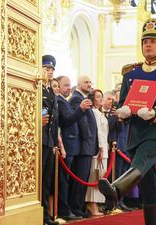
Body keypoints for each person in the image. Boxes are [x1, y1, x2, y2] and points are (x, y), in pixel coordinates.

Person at [98, 18, 156, 225]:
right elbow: (125, 103)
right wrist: (124, 111)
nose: (148, 45)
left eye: (154, 41)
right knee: (147, 183)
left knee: (141, 161)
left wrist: (155, 113)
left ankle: (117, 189)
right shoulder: (131, 72)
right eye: (145, 41)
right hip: (136, 133)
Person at [55, 76, 91, 221]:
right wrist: (81, 109)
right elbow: (68, 121)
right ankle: (64, 210)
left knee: (69, 180)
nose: (68, 88)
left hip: (73, 146)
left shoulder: (65, 101)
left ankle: (68, 208)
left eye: (69, 85)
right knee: (64, 181)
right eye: (65, 85)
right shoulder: (60, 101)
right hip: (67, 146)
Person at [69, 75, 98, 218]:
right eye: (86, 82)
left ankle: (79, 206)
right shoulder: (76, 98)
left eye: (90, 82)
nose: (89, 84)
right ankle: (76, 208)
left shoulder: (84, 99)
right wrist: (89, 139)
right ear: (78, 84)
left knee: (84, 179)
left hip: (88, 144)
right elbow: (82, 122)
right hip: (83, 145)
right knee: (79, 179)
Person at [41, 55, 59, 225]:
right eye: (47, 68)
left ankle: (45, 216)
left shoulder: (49, 90)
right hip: (38, 140)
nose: (50, 71)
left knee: (46, 180)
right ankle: (40, 215)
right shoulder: (37, 87)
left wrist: (54, 143)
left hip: (48, 141)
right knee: (40, 180)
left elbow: (54, 119)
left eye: (52, 69)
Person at [85, 89, 108, 216]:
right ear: (92, 98)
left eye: (101, 96)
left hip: (104, 147)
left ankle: (97, 203)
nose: (100, 99)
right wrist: (100, 147)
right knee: (94, 176)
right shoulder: (93, 112)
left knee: (101, 177)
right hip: (98, 149)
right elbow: (98, 131)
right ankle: (91, 203)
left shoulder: (100, 112)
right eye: (97, 97)